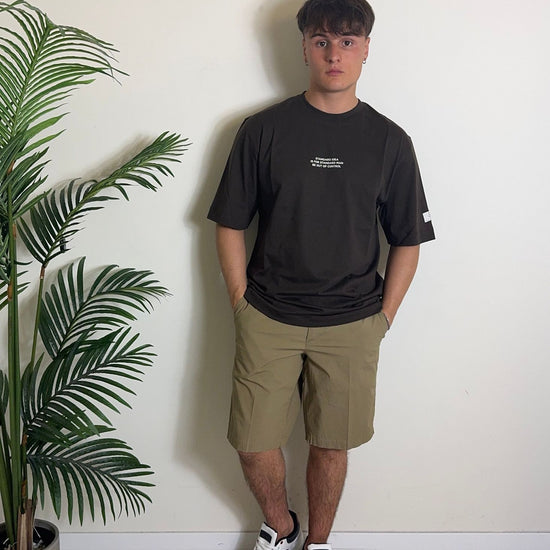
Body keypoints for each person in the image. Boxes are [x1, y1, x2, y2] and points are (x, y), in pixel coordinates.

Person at [207, 0, 435, 548]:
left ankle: (320, 543)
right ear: (305, 47)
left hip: (353, 321)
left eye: (348, 42)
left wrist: (382, 318)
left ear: (366, 49)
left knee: (331, 444)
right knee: (251, 441)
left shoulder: (390, 141)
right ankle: (282, 527)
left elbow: (408, 239)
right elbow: (230, 223)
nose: (335, 54)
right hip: (268, 315)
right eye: (323, 41)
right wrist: (240, 300)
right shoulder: (262, 130)